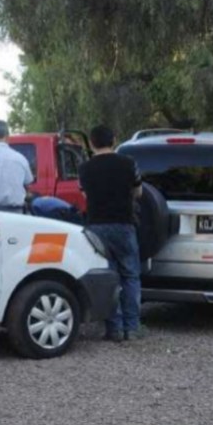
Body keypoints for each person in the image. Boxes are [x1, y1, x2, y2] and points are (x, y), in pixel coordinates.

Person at [78, 125, 144, 342]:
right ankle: (132, 328)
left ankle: (113, 328)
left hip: (97, 227)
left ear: (91, 142)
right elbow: (139, 191)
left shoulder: (85, 168)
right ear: (114, 140)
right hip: (124, 225)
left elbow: (85, 196)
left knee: (109, 277)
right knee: (130, 275)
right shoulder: (128, 163)